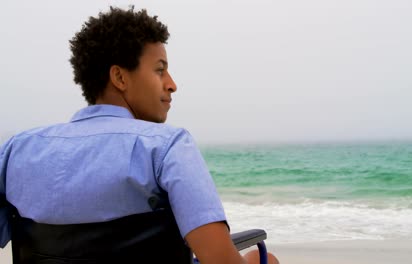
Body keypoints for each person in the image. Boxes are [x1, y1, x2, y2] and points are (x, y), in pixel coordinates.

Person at [0, 6, 279, 264]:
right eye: (160, 70)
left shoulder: (16, 151)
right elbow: (219, 260)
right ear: (120, 78)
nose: (172, 85)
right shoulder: (167, 147)